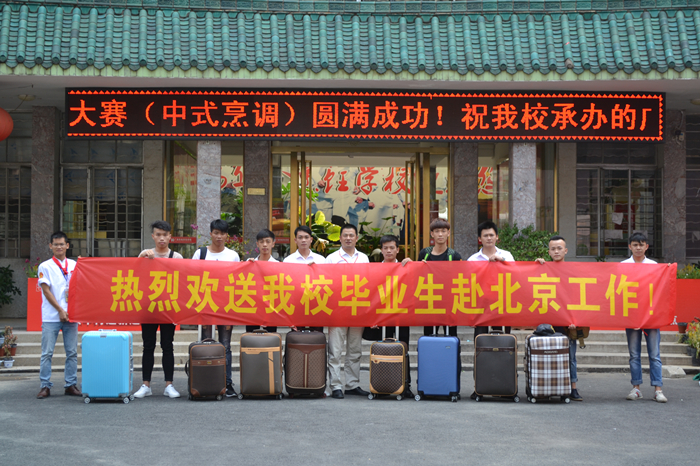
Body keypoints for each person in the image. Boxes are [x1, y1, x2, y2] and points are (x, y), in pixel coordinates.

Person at [134, 221, 184, 399]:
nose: (161, 238)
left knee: (167, 346)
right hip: (148, 307)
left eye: (165, 235)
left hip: (168, 307)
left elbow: (183, 281)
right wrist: (142, 258)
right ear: (153, 236)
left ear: (170, 236)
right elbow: (133, 274)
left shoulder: (176, 257)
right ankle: (145, 385)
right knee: (148, 346)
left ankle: (169, 385)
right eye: (158, 235)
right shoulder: (145, 254)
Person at [192, 218, 241, 398]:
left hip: (226, 306)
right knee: (207, 343)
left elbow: (238, 281)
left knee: (225, 345)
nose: (219, 236)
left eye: (223, 233)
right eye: (216, 233)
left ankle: (227, 383)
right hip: (206, 305)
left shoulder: (233, 255)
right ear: (210, 234)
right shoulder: (200, 253)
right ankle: (207, 382)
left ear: (227, 236)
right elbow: (190, 276)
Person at [535, 235, 583, 401]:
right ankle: (551, 387)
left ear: (566, 250)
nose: (556, 251)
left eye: (559, 248)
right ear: (549, 252)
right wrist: (536, 266)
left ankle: (573, 388)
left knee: (570, 356)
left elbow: (578, 296)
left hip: (568, 323)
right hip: (548, 323)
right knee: (549, 356)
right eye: (553, 249)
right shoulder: (543, 268)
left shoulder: (573, 271)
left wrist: (575, 320)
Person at [325, 223, 370, 399]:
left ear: (357, 238)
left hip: (357, 310)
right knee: (335, 350)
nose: (348, 238)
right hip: (337, 311)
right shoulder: (331, 258)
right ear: (340, 238)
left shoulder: (364, 258)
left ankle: (352, 384)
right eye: (345, 235)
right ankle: (336, 385)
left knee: (355, 350)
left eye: (352, 235)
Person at [621, 232, 667, 403]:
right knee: (634, 355)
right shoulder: (623, 266)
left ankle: (658, 389)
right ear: (630, 247)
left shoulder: (654, 266)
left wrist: (668, 270)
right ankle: (636, 388)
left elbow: (660, 291)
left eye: (641, 245)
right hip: (632, 315)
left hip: (650, 316)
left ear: (646, 246)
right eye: (635, 245)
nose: (638, 248)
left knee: (654, 354)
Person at [36, 231, 81, 399]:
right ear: (50, 246)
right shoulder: (45, 266)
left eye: (62, 244)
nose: (59, 247)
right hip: (51, 316)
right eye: (56, 244)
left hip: (71, 316)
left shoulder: (74, 265)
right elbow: (46, 291)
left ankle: (70, 384)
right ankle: (45, 386)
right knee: (47, 353)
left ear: (67, 246)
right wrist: (60, 310)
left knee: (72, 353)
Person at [377, 235, 414, 397]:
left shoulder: (405, 266)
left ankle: (405, 385)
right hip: (382, 315)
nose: (389, 251)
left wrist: (412, 265)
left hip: (402, 315)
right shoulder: (374, 269)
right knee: (383, 350)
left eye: (392, 247)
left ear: (398, 249)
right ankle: (383, 384)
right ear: (381, 250)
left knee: (403, 348)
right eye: (385, 248)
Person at [469, 221, 515, 339]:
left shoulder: (507, 255)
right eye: (485, 235)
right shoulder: (472, 260)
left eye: (491, 235)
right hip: (481, 306)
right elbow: (468, 285)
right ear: (480, 239)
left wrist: (502, 260)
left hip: (502, 305)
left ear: (497, 237)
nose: (489, 238)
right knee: (481, 340)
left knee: (504, 340)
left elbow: (516, 274)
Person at [419, 218, 462, 338]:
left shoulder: (454, 255)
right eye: (437, 231)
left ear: (448, 233)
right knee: (429, 335)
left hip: (449, 302)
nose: (440, 234)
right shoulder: (425, 254)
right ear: (432, 234)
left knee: (451, 335)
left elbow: (460, 278)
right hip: (430, 301)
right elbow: (417, 276)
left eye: (443, 231)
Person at [284, 225, 325, 332]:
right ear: (295, 240)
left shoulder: (321, 260)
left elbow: (327, 283)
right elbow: (285, 287)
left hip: (317, 304)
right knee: (297, 338)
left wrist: (317, 270)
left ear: (311, 240)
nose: (303, 240)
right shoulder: (288, 261)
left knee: (317, 337)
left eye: (306, 237)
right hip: (296, 305)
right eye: (300, 237)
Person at [246, 229, 279, 333]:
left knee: (271, 337)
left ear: (273, 244)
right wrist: (246, 266)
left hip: (270, 308)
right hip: (252, 307)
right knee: (251, 337)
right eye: (261, 242)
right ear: (257, 244)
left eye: (268, 241)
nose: (265, 245)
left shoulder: (278, 265)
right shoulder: (250, 263)